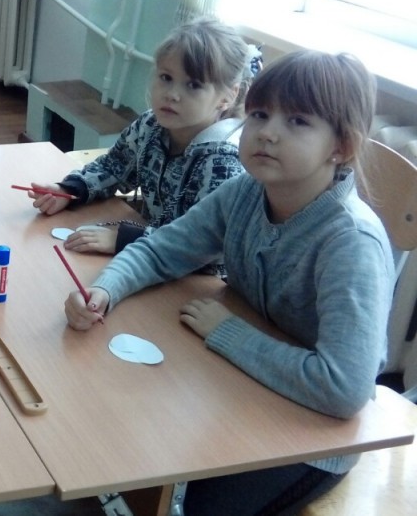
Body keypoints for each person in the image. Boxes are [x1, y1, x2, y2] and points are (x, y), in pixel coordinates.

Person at [65, 50, 392, 515]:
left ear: (341, 147)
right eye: (259, 115)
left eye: (298, 121)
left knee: (188, 504)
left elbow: (342, 389)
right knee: (119, 436)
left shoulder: (351, 243)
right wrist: (104, 290)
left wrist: (227, 332)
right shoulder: (246, 192)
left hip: (313, 437)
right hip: (240, 386)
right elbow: (162, 249)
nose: (268, 132)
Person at [25, 18, 260, 267]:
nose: (172, 94)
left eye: (193, 85)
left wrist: (124, 239)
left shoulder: (224, 161)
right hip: (148, 258)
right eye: (166, 77)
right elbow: (113, 167)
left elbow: (203, 246)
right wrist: (70, 190)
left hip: (199, 278)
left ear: (228, 96)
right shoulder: (151, 125)